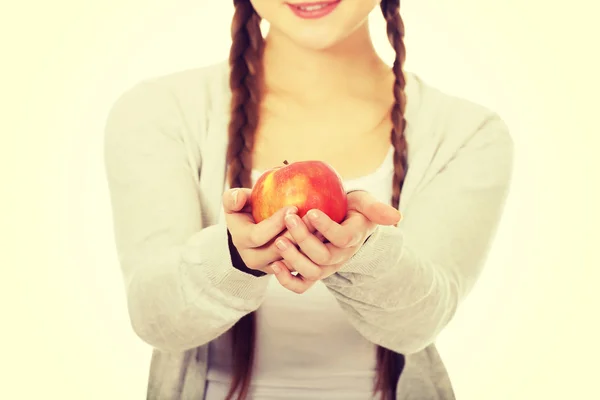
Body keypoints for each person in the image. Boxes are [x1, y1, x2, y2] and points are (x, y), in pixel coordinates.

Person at [103, 0, 514, 399]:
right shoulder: (157, 111)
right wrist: (233, 256)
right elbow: (153, 318)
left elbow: (419, 325)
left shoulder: (468, 133)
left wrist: (363, 252)